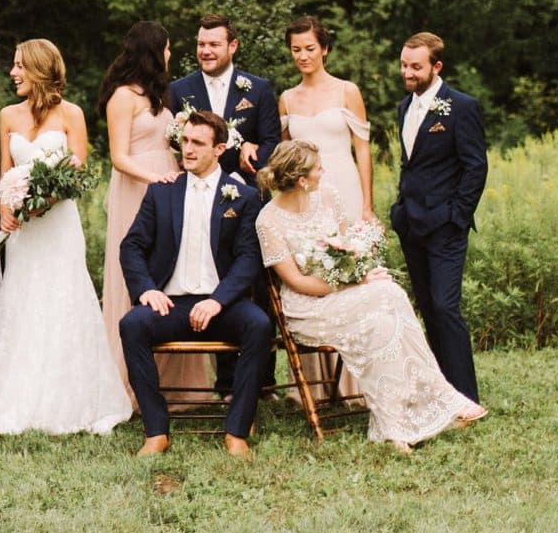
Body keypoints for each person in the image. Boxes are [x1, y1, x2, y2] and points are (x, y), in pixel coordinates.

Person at [256, 139, 486, 451]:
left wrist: (358, 266)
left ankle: (395, 428)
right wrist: (355, 283)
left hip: (346, 293)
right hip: (307, 309)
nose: (323, 172)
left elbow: (348, 243)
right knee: (387, 292)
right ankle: (441, 397)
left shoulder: (329, 196)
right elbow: (295, 281)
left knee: (383, 322)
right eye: (318, 168)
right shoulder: (267, 220)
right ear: (301, 179)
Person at [0, 40, 133, 435]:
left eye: (18, 66)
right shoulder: (8, 116)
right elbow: (4, 173)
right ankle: (18, 401)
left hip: (59, 226)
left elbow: (77, 173)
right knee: (23, 303)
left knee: (64, 301)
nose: (12, 73)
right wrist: (6, 209)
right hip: (24, 232)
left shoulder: (72, 114)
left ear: (40, 69)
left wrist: (44, 199)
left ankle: (72, 402)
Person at [117, 110, 269, 459]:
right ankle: (156, 431)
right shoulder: (162, 192)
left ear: (219, 149)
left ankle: (236, 432)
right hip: (171, 303)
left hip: (221, 305)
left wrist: (218, 300)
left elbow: (249, 259)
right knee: (132, 325)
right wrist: (146, 290)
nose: (187, 149)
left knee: (258, 325)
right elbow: (132, 246)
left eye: (197, 143)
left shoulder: (242, 197)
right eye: (184, 140)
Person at [96, 21, 208, 404]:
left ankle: (177, 382)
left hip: (168, 186)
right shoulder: (122, 97)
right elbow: (119, 157)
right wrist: (157, 177)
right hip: (137, 188)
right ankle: (129, 383)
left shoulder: (159, 97)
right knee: (137, 272)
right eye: (167, 48)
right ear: (152, 50)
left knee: (171, 272)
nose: (170, 55)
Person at [392, 31, 487, 402]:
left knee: (446, 307)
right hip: (411, 224)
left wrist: (456, 215)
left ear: (436, 66)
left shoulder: (461, 106)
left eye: (416, 67)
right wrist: (399, 210)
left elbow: (475, 167)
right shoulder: (405, 107)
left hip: (445, 226)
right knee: (428, 308)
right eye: (404, 65)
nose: (408, 73)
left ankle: (466, 397)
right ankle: (441, 390)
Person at [278, 17, 375, 221]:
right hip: (305, 191)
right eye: (296, 50)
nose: (303, 56)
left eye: (310, 48)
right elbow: (286, 157)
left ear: (324, 49)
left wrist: (367, 206)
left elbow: (362, 149)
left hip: (344, 183)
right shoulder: (286, 99)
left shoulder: (347, 91)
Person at [168, 13, 281, 176]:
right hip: (194, 188)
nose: (206, 51)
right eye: (201, 44)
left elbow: (272, 142)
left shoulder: (259, 89)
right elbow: (171, 143)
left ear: (233, 46)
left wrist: (249, 161)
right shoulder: (178, 89)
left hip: (246, 187)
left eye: (214, 44)